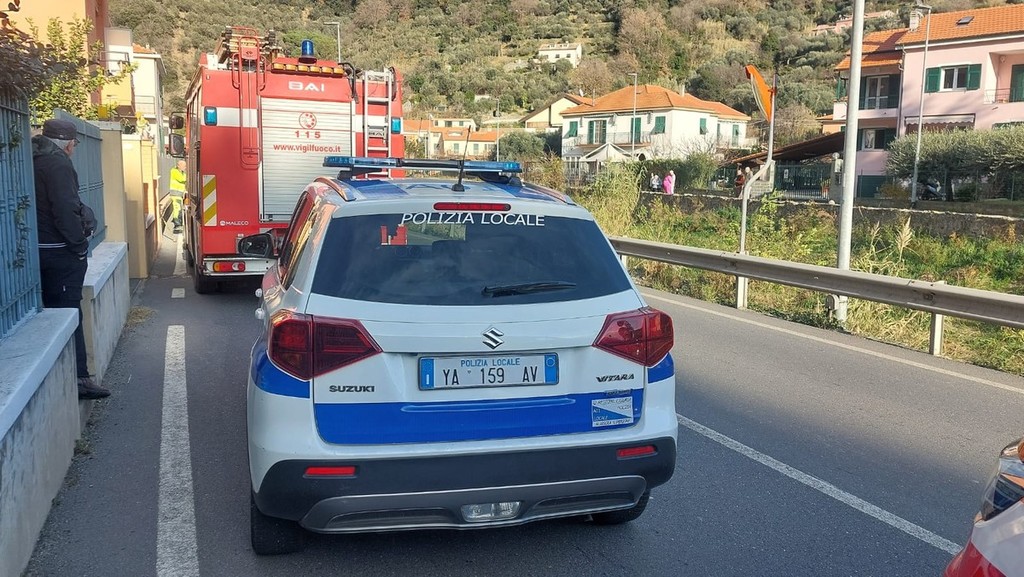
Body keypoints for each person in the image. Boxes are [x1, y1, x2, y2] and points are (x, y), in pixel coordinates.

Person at [33, 119, 110, 400]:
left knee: (55, 313)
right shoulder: (57, 165)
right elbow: (65, 209)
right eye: (74, 145)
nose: (74, 150)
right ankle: (80, 379)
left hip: (39, 249)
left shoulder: (32, 158)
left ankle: (74, 377)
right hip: (59, 252)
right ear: (67, 144)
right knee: (69, 313)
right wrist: (79, 245)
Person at [169, 159, 187, 233]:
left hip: (179, 194)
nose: (185, 167)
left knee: (179, 209)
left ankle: (178, 223)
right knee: (177, 209)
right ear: (179, 166)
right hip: (175, 194)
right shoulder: (174, 171)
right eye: (184, 166)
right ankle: (177, 225)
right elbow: (182, 179)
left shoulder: (182, 172)